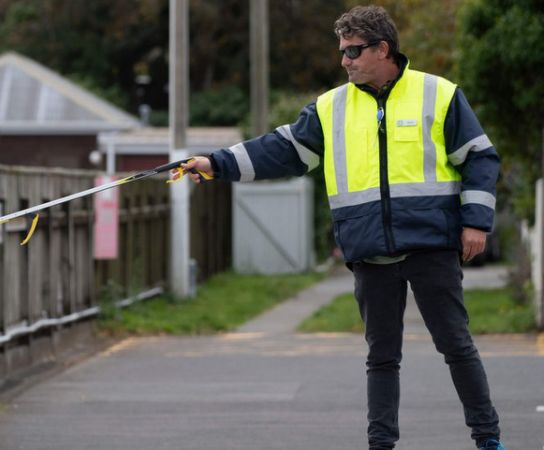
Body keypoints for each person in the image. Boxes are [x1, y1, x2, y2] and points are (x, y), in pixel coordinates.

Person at [177, 5, 504, 450]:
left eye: (353, 51)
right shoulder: (331, 107)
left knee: (457, 347)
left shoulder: (438, 94)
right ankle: (381, 445)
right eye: (342, 52)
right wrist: (216, 163)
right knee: (382, 359)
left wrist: (476, 222)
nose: (345, 61)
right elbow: (281, 150)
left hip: (432, 244)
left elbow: (480, 159)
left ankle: (488, 441)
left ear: (382, 49)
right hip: (369, 249)